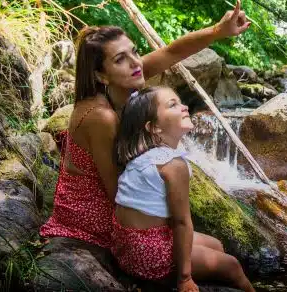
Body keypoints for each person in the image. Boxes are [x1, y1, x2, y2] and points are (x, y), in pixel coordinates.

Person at [39, 0, 251, 251]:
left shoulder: (126, 77)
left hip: (125, 205)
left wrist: (218, 30)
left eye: (135, 52)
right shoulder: (100, 117)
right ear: (100, 75)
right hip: (91, 218)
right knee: (215, 250)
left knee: (216, 246)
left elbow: (172, 52)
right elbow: (116, 191)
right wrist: (164, 224)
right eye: (120, 59)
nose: (135, 62)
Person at [112, 87, 254, 292]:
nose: (185, 107)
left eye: (180, 102)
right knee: (231, 265)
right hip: (148, 254)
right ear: (155, 128)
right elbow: (180, 222)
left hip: (126, 248)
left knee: (215, 245)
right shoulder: (173, 165)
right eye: (173, 105)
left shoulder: (146, 156)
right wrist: (184, 279)